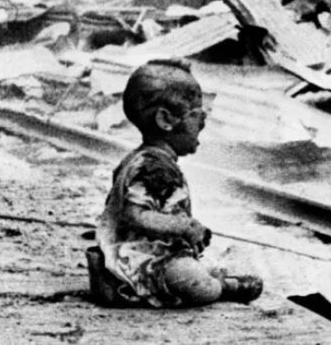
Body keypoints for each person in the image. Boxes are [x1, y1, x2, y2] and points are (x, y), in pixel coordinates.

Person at [89, 59, 263, 307]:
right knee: (194, 280)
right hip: (137, 258)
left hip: (151, 252)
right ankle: (224, 288)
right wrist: (182, 227)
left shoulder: (147, 160)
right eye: (197, 114)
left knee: (197, 266)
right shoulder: (152, 167)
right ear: (165, 120)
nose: (203, 122)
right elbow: (135, 214)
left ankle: (215, 279)